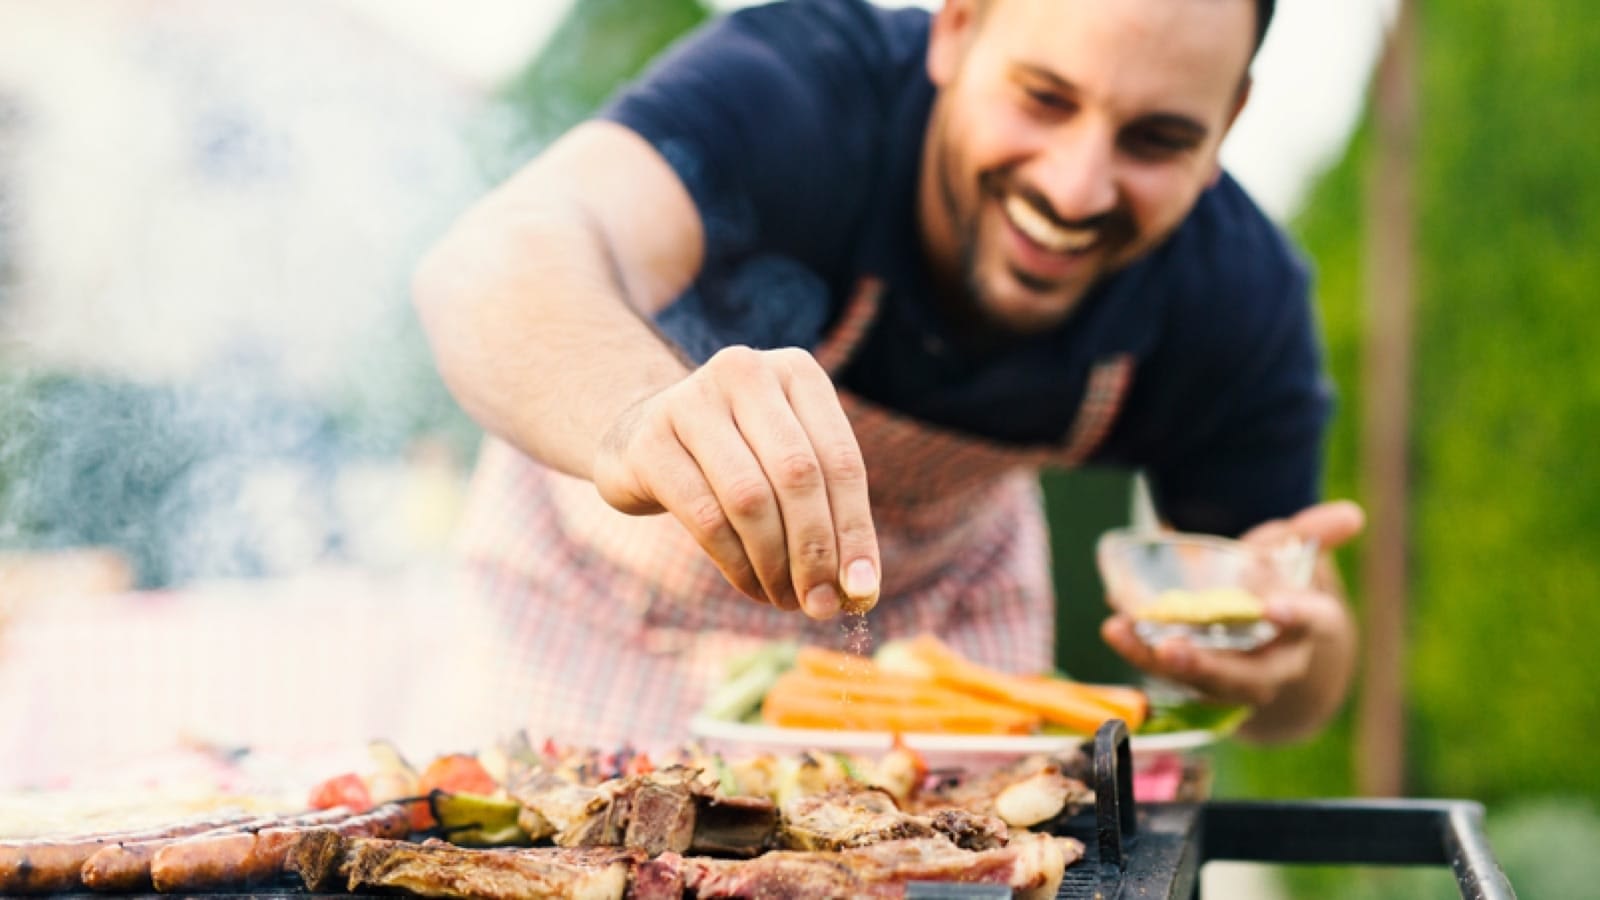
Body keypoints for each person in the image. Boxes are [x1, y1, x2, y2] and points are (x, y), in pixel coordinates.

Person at [414, 0, 1366, 749]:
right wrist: (634, 418)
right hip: (598, 611)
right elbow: (494, 262)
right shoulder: (800, 88)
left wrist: (1290, 664)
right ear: (956, 28)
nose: (1076, 190)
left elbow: (1300, 688)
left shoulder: (1236, 297)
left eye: (1156, 140)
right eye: (1043, 97)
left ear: (1228, 120)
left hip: (935, 636)